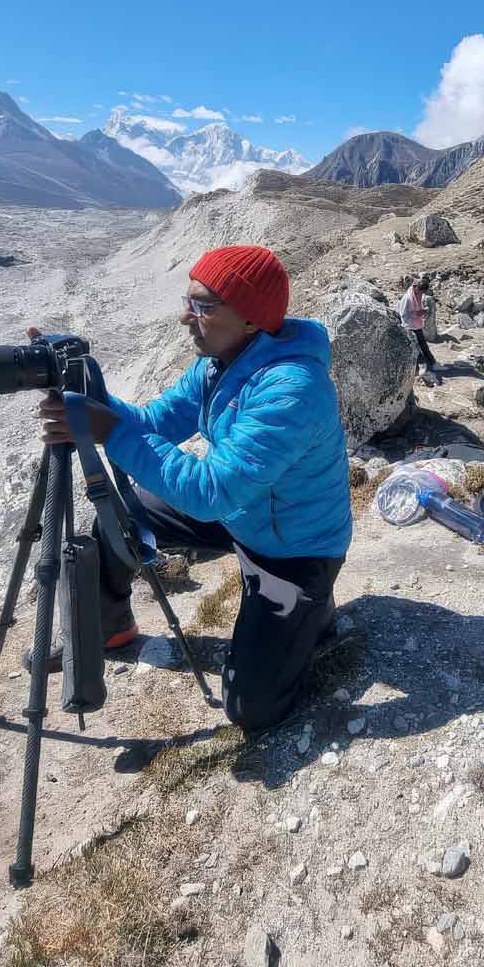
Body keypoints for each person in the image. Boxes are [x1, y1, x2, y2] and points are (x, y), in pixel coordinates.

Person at [34, 244, 353, 730]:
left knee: (253, 710)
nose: (186, 317)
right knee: (117, 520)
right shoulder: (220, 362)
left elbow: (211, 493)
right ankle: (111, 628)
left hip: (296, 548)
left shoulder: (292, 388)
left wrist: (110, 430)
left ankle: (312, 611)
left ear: (250, 319)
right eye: (188, 301)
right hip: (242, 514)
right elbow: (154, 423)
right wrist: (92, 399)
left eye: (203, 307)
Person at [397, 275, 439, 378]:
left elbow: (417, 309)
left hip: (417, 324)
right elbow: (403, 314)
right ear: (415, 287)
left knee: (423, 345)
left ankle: (432, 363)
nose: (420, 293)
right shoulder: (407, 298)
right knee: (415, 347)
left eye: (422, 292)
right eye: (419, 291)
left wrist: (422, 311)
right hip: (409, 326)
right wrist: (417, 313)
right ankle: (418, 368)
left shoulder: (418, 295)